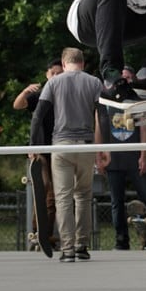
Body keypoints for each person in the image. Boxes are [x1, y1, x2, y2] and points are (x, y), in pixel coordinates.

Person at [30, 48, 109, 262]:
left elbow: (38, 116)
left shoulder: (53, 83)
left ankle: (67, 249)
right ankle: (82, 245)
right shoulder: (94, 83)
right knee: (83, 196)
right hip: (85, 146)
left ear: (64, 64)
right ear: (82, 64)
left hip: (61, 146)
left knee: (63, 198)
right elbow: (103, 116)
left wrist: (33, 145)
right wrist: (105, 148)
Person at [99, 66, 146, 250]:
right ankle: (121, 240)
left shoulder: (136, 99)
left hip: (134, 158)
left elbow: (144, 129)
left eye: (128, 78)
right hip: (113, 159)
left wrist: (144, 155)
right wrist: (99, 154)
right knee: (116, 202)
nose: (125, 81)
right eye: (122, 78)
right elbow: (99, 128)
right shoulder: (105, 100)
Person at [13, 58, 63, 242]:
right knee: (44, 190)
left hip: (60, 148)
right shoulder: (41, 95)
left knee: (55, 194)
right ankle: (40, 231)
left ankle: (46, 232)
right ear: (47, 75)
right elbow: (17, 105)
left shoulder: (65, 95)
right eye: (53, 74)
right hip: (42, 150)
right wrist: (26, 91)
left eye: (60, 74)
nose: (56, 77)